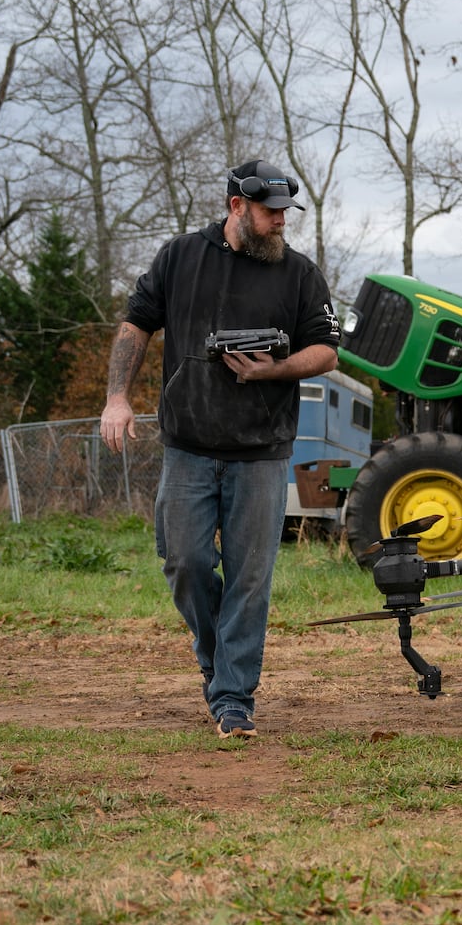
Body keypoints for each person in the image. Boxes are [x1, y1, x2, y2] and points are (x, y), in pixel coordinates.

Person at [100, 160, 339, 739]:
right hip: (187, 445)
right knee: (184, 562)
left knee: (250, 577)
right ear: (237, 207)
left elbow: (328, 352)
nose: (281, 221)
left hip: (262, 450)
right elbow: (136, 323)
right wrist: (117, 399)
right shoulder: (180, 257)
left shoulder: (299, 274)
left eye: (286, 211)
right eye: (270, 211)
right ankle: (216, 658)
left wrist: (274, 369)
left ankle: (233, 696)